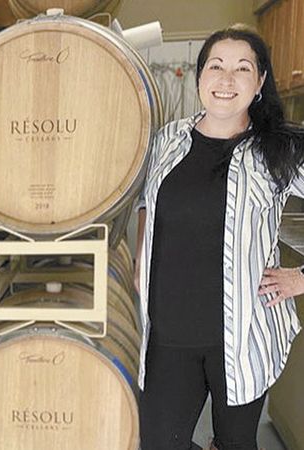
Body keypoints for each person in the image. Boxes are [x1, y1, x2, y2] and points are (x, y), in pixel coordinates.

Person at [134, 25, 304, 450]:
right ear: (199, 76)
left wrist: (301, 278)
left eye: (242, 68)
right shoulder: (166, 141)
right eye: (217, 66)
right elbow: (143, 202)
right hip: (168, 334)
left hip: (243, 334)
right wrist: (141, 260)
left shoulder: (277, 149)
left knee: (236, 443)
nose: (227, 80)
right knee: (157, 442)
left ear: (260, 81)